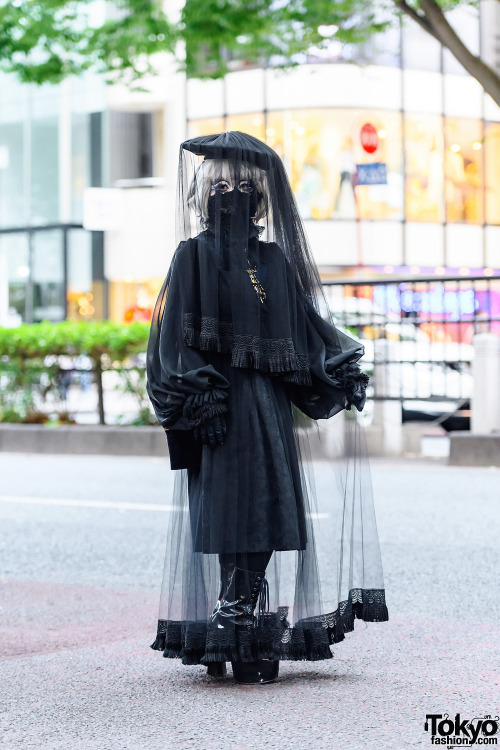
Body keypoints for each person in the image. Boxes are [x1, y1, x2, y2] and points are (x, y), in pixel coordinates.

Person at [146, 131, 388, 685]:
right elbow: (169, 344)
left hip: (269, 411)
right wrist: (197, 394)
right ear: (204, 195)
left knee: (267, 513)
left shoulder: (275, 260)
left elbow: (305, 329)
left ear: (260, 197)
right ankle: (235, 623)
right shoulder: (192, 257)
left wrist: (337, 364)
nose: (230, 195)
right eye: (220, 186)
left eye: (243, 186)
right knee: (231, 515)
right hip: (220, 409)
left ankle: (238, 623)